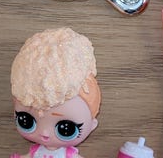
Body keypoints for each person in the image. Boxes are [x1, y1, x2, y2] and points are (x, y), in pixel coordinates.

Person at [10, 28, 101, 158]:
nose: (45, 133)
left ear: (92, 125)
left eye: (66, 128)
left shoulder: (69, 154)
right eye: (26, 121)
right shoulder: (36, 152)